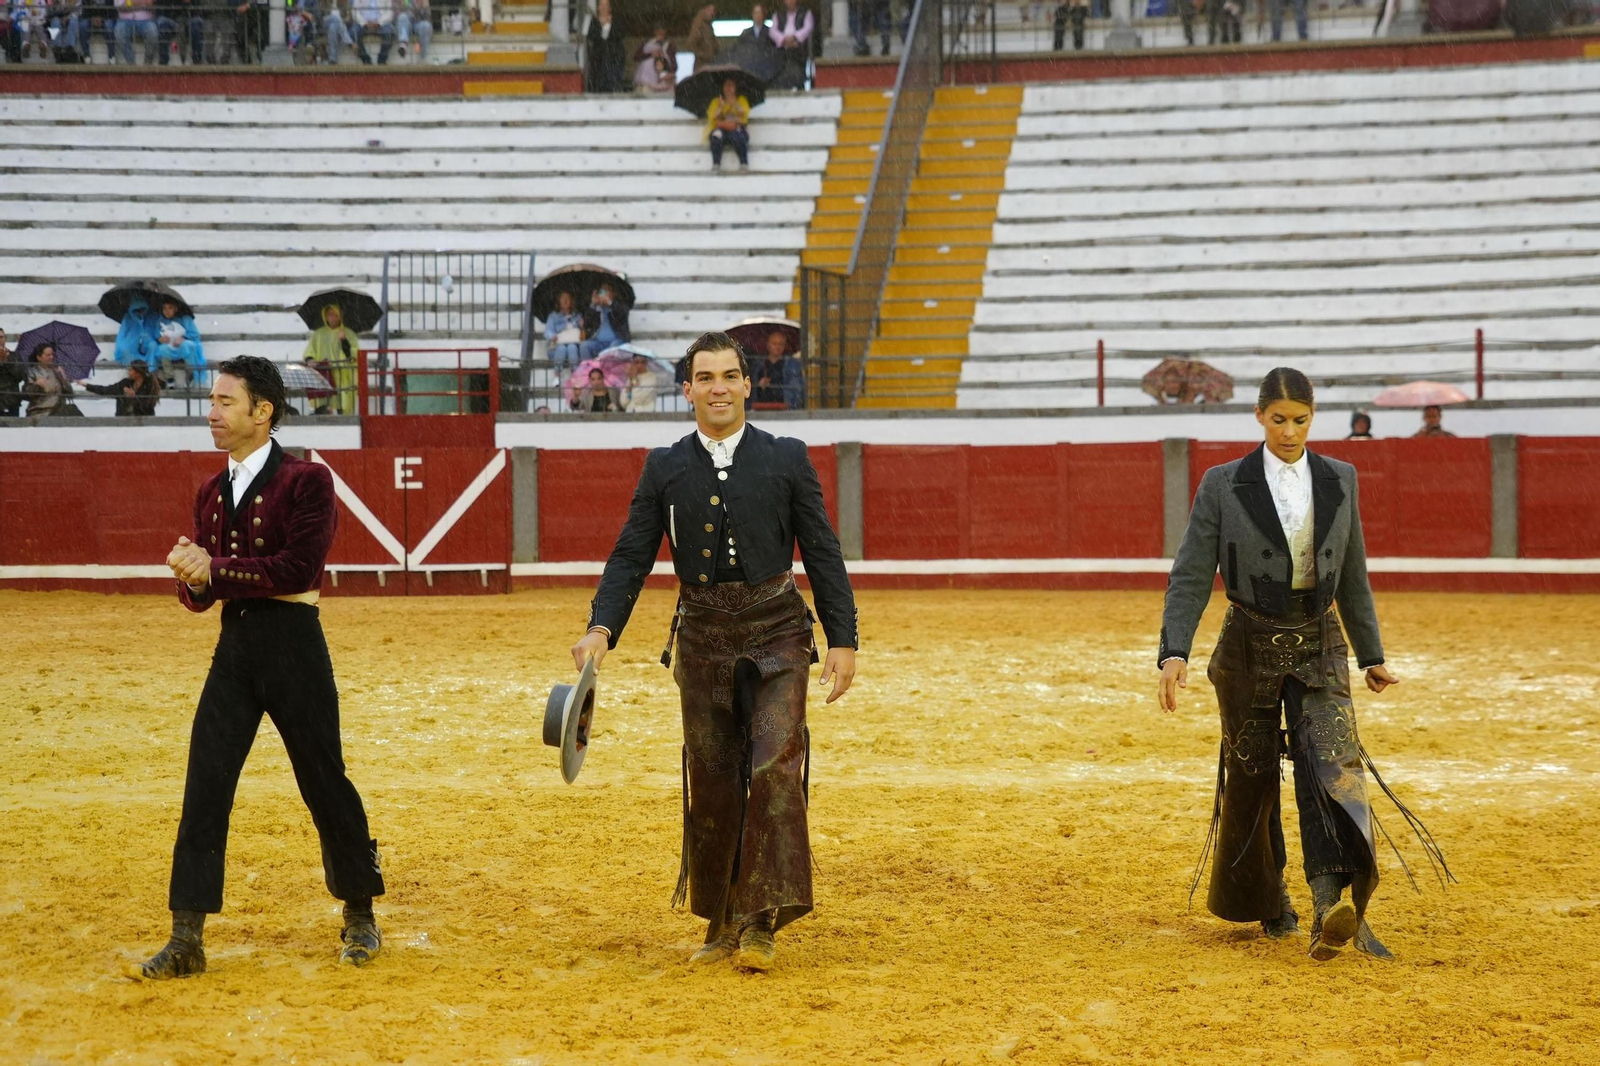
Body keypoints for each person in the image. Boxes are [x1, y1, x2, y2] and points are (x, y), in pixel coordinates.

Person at [571, 331, 857, 971]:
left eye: (729, 376)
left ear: (749, 384)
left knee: (774, 766)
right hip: (701, 638)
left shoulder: (787, 457)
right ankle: (722, 917)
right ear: (688, 389)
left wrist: (843, 637)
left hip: (779, 630)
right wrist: (601, 627)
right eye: (705, 377)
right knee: (715, 782)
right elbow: (631, 554)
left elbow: (822, 549)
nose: (718, 387)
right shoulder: (665, 465)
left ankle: (762, 920)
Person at [1158, 367, 1449, 963]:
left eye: (1301, 419)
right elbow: (1191, 572)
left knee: (1330, 769)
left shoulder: (1340, 478)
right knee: (1253, 778)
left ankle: (1326, 902)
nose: (1290, 431)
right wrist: (1174, 650)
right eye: (1279, 419)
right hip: (1247, 643)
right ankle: (1271, 905)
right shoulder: (1222, 483)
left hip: (1320, 641)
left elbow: (1353, 572)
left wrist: (1373, 655)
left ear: (1313, 417)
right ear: (1260, 417)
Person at [130, 356, 386, 981]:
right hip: (237, 648)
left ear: (261, 412)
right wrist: (191, 577)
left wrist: (213, 569)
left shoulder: (307, 482)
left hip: (295, 646)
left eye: (223, 402)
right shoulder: (211, 492)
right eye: (212, 401)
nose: (211, 413)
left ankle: (359, 912)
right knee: (205, 785)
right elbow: (204, 597)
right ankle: (187, 935)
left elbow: (299, 570)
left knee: (324, 779)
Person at [301, 302, 361, 415]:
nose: (332, 317)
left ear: (340, 316)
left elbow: (353, 355)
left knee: (342, 400)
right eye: (329, 314)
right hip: (324, 373)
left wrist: (344, 341)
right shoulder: (318, 334)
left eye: (335, 314)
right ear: (325, 316)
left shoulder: (349, 333)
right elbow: (310, 351)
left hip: (343, 374)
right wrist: (310, 360)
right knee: (325, 402)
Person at [84, 357, 162, 416]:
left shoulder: (149, 386)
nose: (129, 372)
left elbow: (147, 406)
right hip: (123, 420)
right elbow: (107, 390)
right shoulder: (125, 383)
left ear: (138, 373)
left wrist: (134, 396)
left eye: (131, 370)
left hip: (143, 421)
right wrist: (87, 385)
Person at [706, 77, 751, 173]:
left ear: (735, 88)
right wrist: (721, 107)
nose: (729, 88)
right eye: (726, 85)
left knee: (738, 136)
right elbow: (713, 117)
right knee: (716, 136)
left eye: (731, 85)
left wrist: (734, 104)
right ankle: (716, 164)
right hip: (722, 128)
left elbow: (744, 114)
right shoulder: (716, 101)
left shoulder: (741, 100)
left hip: (737, 128)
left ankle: (744, 163)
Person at [22, 344, 81, 418]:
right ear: (39, 357)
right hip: (41, 411)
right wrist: (36, 385)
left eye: (52, 354)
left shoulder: (56, 371)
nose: (51, 357)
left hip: (58, 409)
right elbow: (27, 394)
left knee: (73, 411)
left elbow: (70, 394)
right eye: (48, 355)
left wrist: (63, 378)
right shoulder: (32, 372)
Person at [753, 329, 804, 408]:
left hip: (785, 407)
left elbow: (797, 389)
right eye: (774, 343)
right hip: (761, 407)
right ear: (768, 345)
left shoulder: (792, 364)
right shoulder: (759, 364)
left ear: (784, 346)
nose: (778, 347)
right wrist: (759, 385)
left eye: (781, 344)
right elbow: (751, 388)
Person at [583, 0, 627, 93]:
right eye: (601, 5)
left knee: (614, 83)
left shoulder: (617, 20)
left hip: (614, 57)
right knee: (599, 83)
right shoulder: (594, 21)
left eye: (606, 5)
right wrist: (602, 25)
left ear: (610, 8)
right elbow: (591, 36)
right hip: (598, 58)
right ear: (598, 7)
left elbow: (621, 34)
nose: (603, 7)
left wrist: (608, 26)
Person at [578, 284, 630, 361]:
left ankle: (609, 371)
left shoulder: (619, 305)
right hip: (598, 342)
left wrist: (609, 303)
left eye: (606, 290)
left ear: (614, 293)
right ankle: (587, 369)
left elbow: (623, 313)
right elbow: (586, 323)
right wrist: (593, 305)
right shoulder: (596, 308)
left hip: (616, 341)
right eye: (602, 291)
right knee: (584, 346)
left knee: (613, 348)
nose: (603, 293)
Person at [768, 0, 811, 90]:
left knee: (797, 70)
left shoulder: (805, 13)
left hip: (799, 49)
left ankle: (800, 86)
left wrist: (795, 37)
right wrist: (783, 39)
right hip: (782, 49)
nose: (790, 2)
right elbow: (772, 31)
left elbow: (808, 28)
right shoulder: (778, 15)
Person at [543, 290, 584, 372]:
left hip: (573, 346)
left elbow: (583, 334)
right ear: (559, 301)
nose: (565, 300)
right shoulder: (553, 316)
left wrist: (582, 326)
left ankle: (575, 374)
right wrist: (552, 336)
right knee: (561, 348)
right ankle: (557, 376)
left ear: (572, 302)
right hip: (557, 346)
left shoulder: (577, 316)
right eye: (563, 298)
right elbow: (548, 331)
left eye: (568, 298)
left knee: (572, 347)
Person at [632, 24, 677, 92]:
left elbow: (674, 64)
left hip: (663, 78)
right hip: (646, 79)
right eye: (658, 30)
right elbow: (636, 57)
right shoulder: (647, 43)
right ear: (654, 32)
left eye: (662, 30)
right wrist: (650, 54)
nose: (660, 32)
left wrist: (669, 73)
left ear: (666, 31)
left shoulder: (669, 45)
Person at [0, 328, 23, 418]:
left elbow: (20, 376)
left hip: (11, 401)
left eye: (1, 337)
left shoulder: (15, 356)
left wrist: (7, 362)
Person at [686, 2, 717, 68]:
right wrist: (703, 55)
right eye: (709, 10)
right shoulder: (699, 25)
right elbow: (690, 44)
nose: (712, 13)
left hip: (710, 64)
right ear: (703, 11)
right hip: (702, 65)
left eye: (713, 11)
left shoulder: (709, 26)